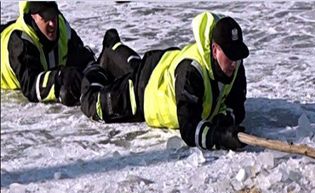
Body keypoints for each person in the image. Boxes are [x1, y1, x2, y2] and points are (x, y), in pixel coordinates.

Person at [80, 11, 249, 150]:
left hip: (163, 64)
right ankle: (93, 66)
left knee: (135, 67)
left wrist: (225, 118)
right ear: (214, 50)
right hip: (145, 90)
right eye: (229, 55)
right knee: (94, 105)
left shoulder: (235, 65)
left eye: (237, 55)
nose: (234, 63)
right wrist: (219, 137)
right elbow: (189, 129)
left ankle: (113, 46)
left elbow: (237, 105)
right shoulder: (192, 72)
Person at [1, 2, 95, 106]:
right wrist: (60, 78)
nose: (52, 24)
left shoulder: (62, 26)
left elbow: (83, 58)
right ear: (33, 17)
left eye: (53, 15)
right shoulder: (20, 41)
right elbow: (31, 86)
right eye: (46, 17)